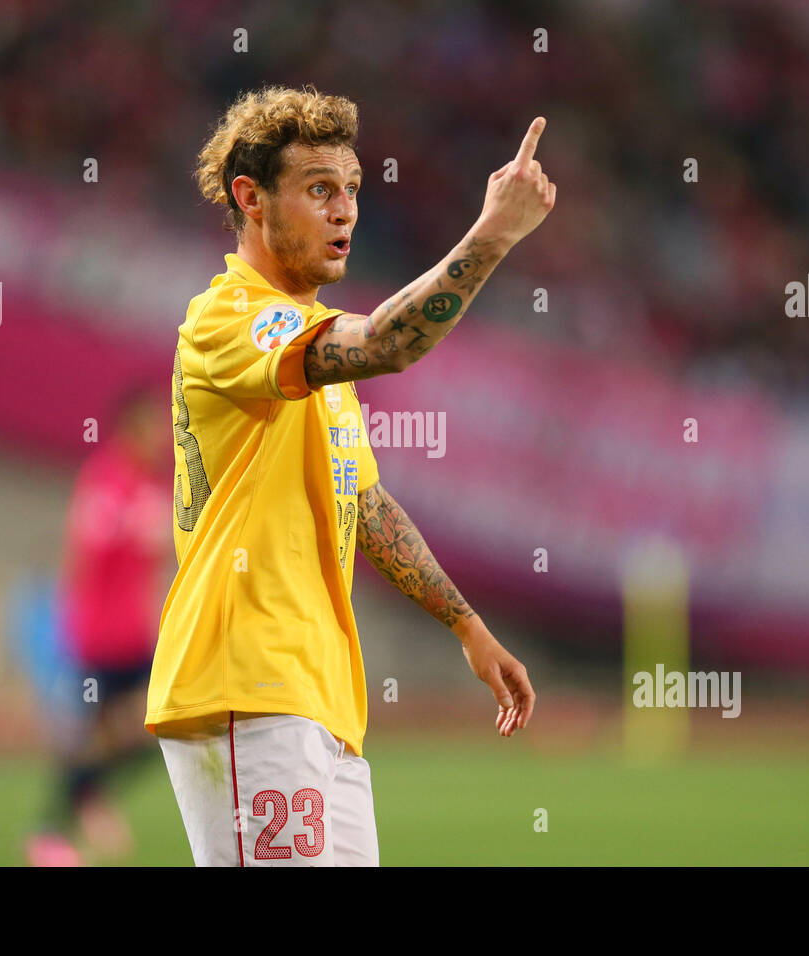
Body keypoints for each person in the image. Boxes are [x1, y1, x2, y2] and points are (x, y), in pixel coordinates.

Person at [148, 84, 551, 866]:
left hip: (320, 702)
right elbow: (386, 344)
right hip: (250, 684)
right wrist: (492, 236)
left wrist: (468, 627)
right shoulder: (231, 318)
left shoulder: (309, 355)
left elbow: (364, 503)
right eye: (320, 190)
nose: (345, 212)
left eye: (353, 190)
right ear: (251, 200)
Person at [25, 385, 172, 866]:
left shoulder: (148, 484)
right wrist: (68, 629)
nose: (162, 437)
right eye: (153, 426)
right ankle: (48, 834)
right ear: (130, 427)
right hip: (100, 639)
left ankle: (88, 803)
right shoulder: (106, 481)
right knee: (100, 742)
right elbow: (81, 558)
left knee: (156, 730)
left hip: (135, 637)